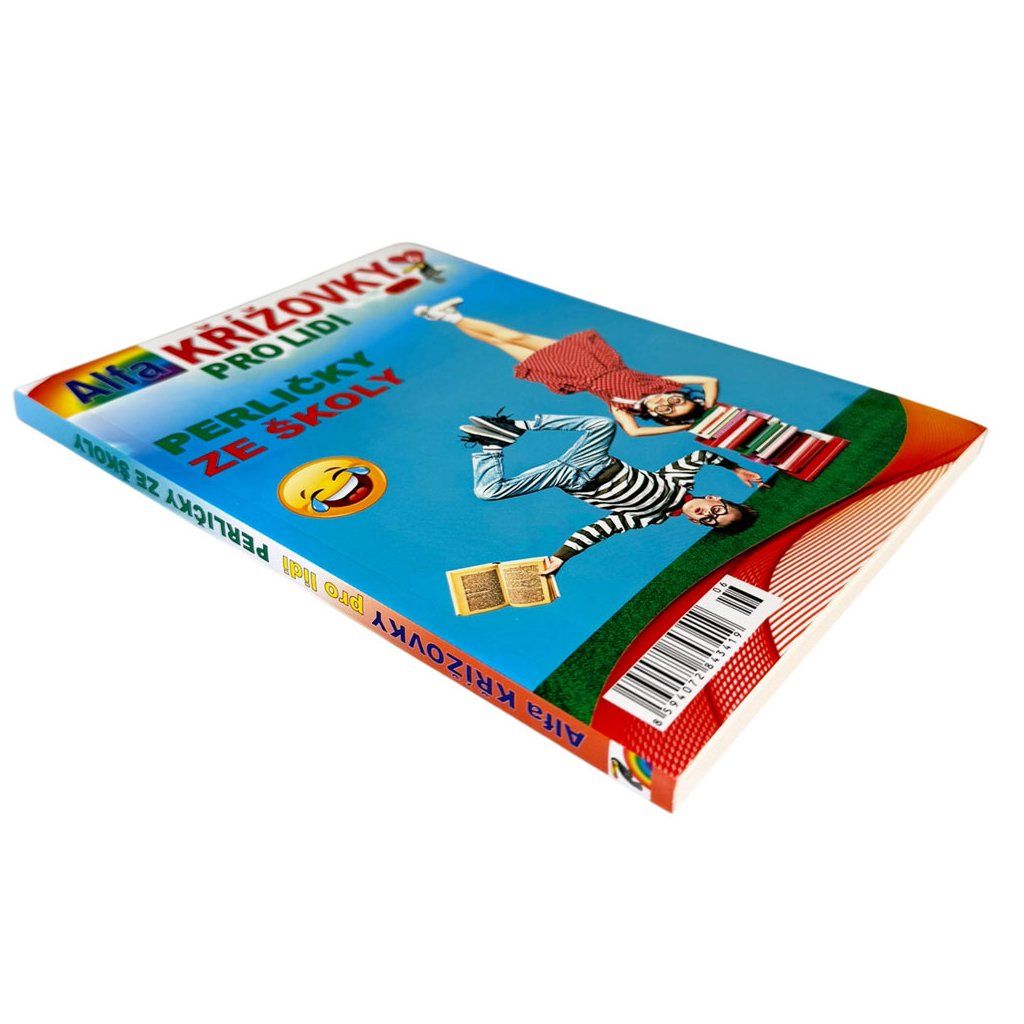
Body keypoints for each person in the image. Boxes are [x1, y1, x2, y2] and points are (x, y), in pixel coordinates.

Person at [459, 411, 762, 575]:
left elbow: (599, 530)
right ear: (713, 498)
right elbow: (701, 456)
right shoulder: (678, 481)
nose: (708, 514)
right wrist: (736, 469)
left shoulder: (649, 517)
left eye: (710, 521)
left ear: (696, 523)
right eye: (717, 510)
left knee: (488, 491)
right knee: (603, 424)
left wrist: (561, 557)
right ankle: (515, 426)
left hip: (570, 478)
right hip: (596, 460)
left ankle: (492, 446)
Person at [416, 298, 719, 437]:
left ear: (659, 416)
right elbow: (709, 379)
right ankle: (447, 316)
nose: (666, 402)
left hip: (571, 375)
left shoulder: (623, 407)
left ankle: (447, 317)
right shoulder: (659, 382)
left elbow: (634, 432)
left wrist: (683, 426)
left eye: (668, 410)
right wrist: (707, 404)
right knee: (516, 337)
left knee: (501, 343)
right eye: (675, 400)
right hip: (589, 359)